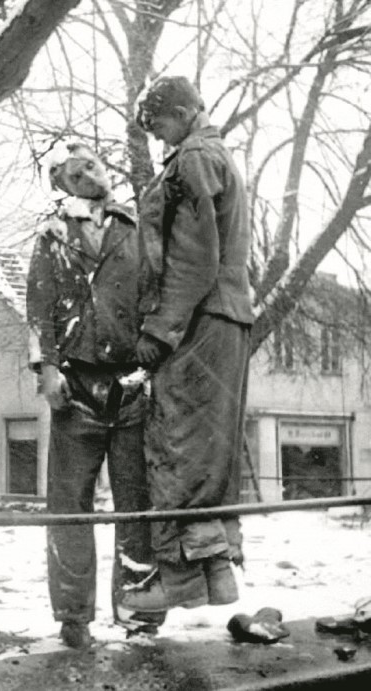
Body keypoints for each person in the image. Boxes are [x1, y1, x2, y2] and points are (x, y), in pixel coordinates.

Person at [26, 141, 166, 649]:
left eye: (93, 165)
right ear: (62, 185)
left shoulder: (137, 227)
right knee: (70, 506)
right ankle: (73, 616)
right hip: (77, 385)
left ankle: (140, 614)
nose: (90, 175)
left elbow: (159, 294)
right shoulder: (53, 235)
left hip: (132, 385)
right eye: (76, 173)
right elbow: (38, 304)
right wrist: (46, 368)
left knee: (137, 505)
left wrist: (155, 358)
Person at [121, 76, 254, 613]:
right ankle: (214, 576)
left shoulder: (194, 158)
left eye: (157, 126)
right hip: (225, 316)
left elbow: (194, 257)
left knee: (178, 442)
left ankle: (179, 581)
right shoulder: (215, 156)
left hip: (199, 319)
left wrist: (159, 330)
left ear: (179, 113)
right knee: (209, 451)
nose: (157, 138)